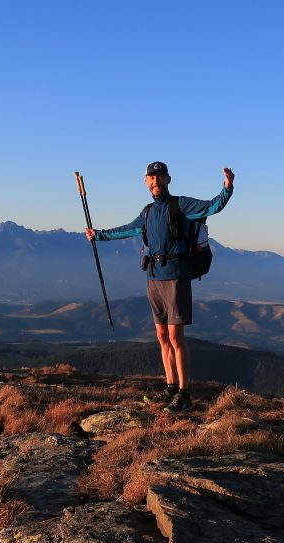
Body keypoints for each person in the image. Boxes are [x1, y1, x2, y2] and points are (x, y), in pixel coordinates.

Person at [85, 161, 234, 412]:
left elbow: (212, 206)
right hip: (153, 276)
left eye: (160, 177)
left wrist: (227, 188)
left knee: (176, 337)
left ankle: (184, 394)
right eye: (151, 178)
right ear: (146, 182)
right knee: (162, 336)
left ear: (168, 180)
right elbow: (127, 230)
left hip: (177, 276)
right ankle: (171, 387)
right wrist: (98, 235)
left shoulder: (181, 205)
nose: (156, 182)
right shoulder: (147, 212)